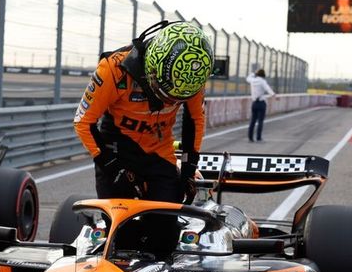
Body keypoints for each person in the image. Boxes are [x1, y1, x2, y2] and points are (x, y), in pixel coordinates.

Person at [73, 21, 212, 204]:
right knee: (118, 220)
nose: (169, 102)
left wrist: (188, 168)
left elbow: (195, 120)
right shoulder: (113, 68)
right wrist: (109, 165)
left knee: (166, 219)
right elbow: (83, 122)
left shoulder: (191, 75)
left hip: (160, 151)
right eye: (166, 92)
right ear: (152, 68)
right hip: (117, 149)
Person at [246, 68, 275, 142]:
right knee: (260, 121)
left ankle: (250, 137)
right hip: (261, 103)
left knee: (252, 121)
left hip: (254, 103)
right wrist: (273, 95)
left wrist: (253, 73)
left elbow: (248, 78)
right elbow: (268, 89)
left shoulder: (252, 80)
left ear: (257, 74)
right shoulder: (262, 81)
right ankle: (258, 137)